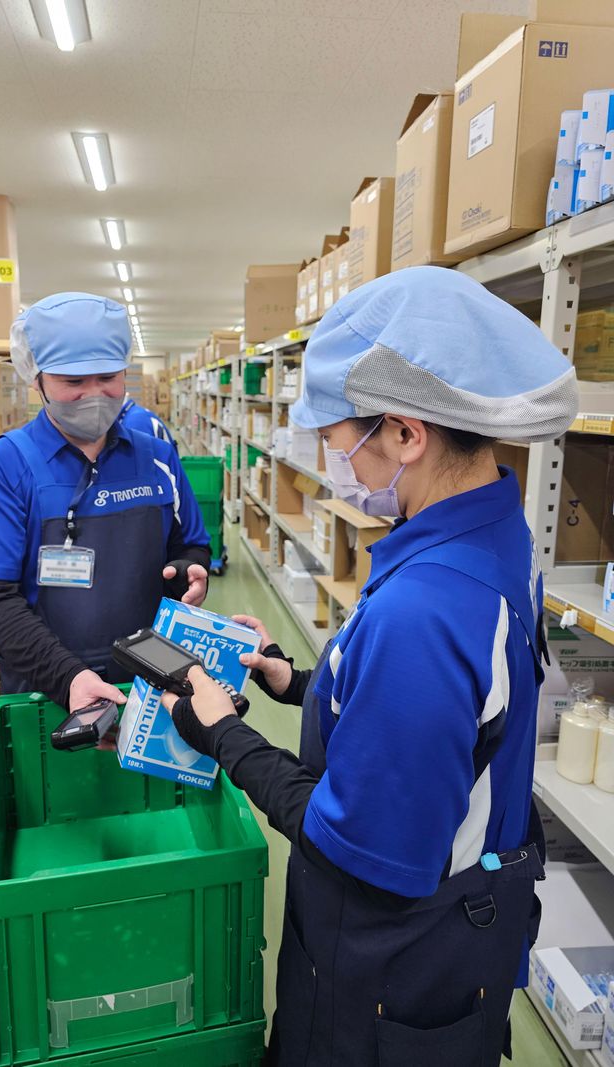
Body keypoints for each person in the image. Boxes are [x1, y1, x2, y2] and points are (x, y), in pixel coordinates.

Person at [162, 267, 578, 1067]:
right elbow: (448, 717)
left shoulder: (423, 611)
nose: (333, 461)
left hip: (391, 969)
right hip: (466, 924)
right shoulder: (495, 532)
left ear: (406, 434)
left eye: (337, 439)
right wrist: (299, 682)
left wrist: (221, 732)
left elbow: (351, 844)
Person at [0, 292, 211, 716]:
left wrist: (189, 573)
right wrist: (68, 677)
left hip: (153, 681)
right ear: (36, 378)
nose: (94, 395)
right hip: (48, 688)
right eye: (73, 382)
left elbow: (190, 545)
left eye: (108, 377)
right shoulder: (4, 467)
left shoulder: (157, 457)